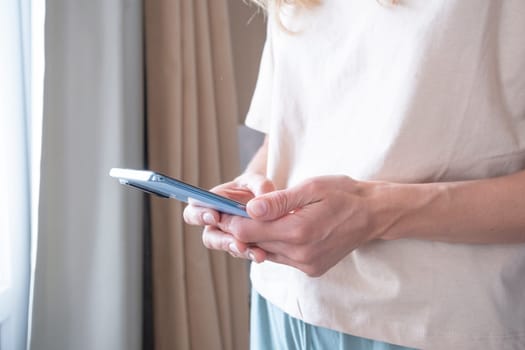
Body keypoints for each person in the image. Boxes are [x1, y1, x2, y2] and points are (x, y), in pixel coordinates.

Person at [184, 0, 525, 348]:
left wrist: (373, 211)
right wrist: (252, 188)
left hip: (430, 322)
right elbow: (290, 128)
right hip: (282, 305)